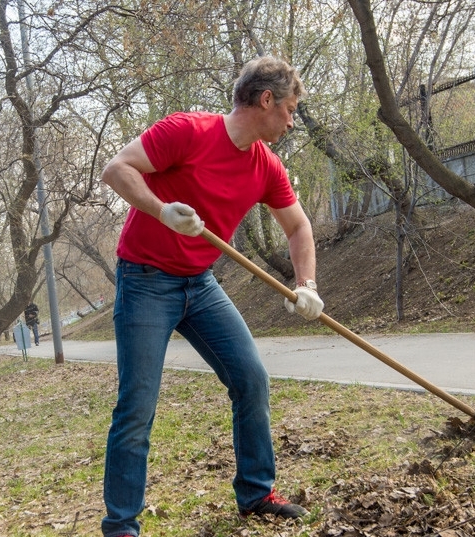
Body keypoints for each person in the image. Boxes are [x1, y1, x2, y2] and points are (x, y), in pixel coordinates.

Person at [99, 56, 324, 537]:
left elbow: (299, 227)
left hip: (199, 284)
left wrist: (307, 286)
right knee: (137, 405)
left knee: (251, 379)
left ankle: (257, 493)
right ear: (266, 100)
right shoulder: (187, 131)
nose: (289, 121)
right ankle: (121, 527)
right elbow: (116, 169)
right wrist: (161, 211)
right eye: (288, 109)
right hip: (145, 281)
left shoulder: (266, 165)